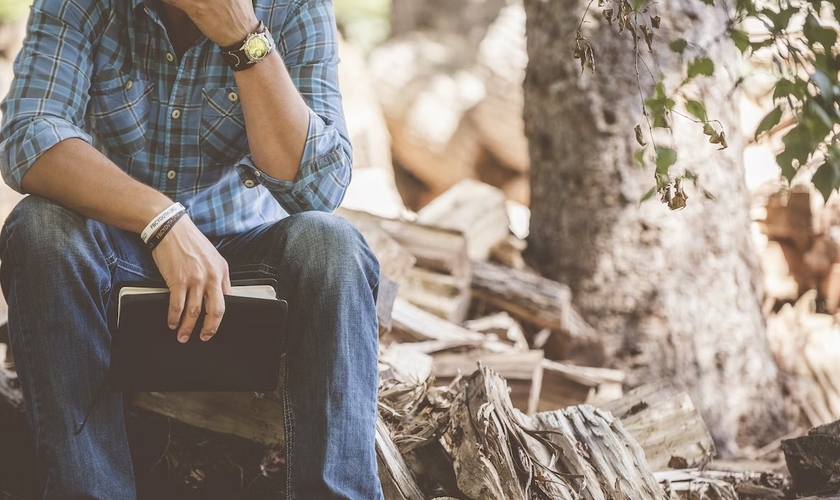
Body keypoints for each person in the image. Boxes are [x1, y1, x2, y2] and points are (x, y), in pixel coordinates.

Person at [0, 0, 383, 498]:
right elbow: (29, 138)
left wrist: (243, 38)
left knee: (334, 246)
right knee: (38, 227)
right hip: (112, 259)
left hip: (245, 270)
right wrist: (160, 220)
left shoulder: (296, 6)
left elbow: (319, 188)